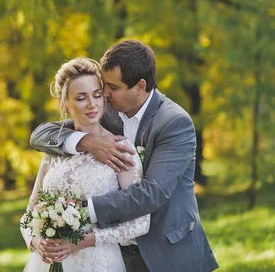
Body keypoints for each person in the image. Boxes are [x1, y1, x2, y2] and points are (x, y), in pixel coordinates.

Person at [30, 40, 219, 272]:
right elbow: (42, 134)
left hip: (167, 253)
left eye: (112, 87)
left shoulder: (173, 122)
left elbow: (152, 193)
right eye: (104, 88)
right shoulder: (106, 109)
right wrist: (86, 142)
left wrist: (79, 211)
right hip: (116, 255)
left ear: (140, 86)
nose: (105, 95)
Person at [20, 57, 150, 272]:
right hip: (47, 264)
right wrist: (36, 243)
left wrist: (85, 241)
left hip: (99, 262)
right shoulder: (55, 152)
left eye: (97, 95)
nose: (92, 104)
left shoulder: (122, 150)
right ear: (64, 103)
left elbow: (140, 223)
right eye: (81, 98)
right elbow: (29, 214)